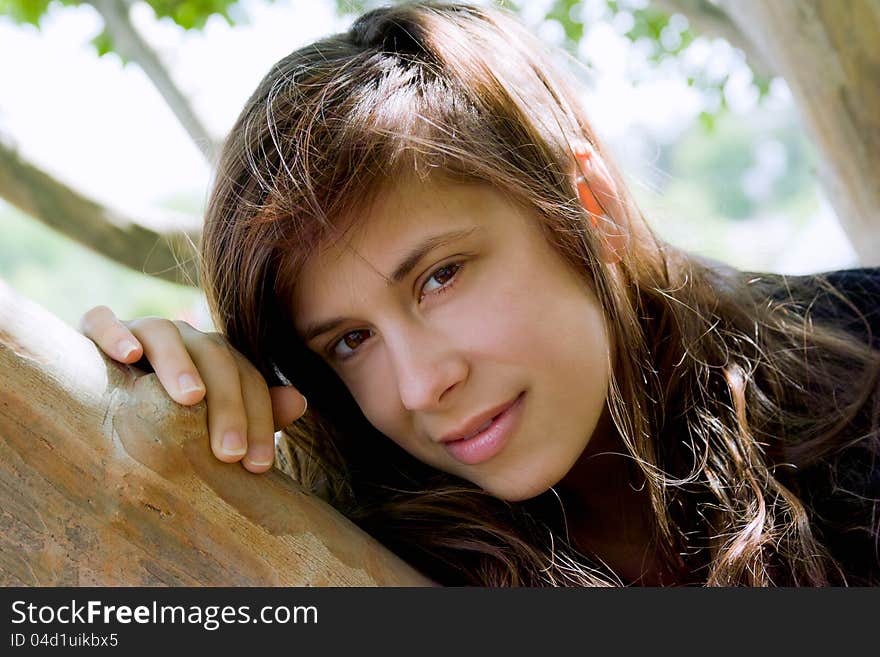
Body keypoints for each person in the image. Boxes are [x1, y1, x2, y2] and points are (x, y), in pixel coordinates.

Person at [79, 1, 880, 586]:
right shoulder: (374, 551)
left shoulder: (861, 358)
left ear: (589, 210)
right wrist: (185, 414)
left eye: (440, 276)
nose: (424, 384)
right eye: (350, 341)